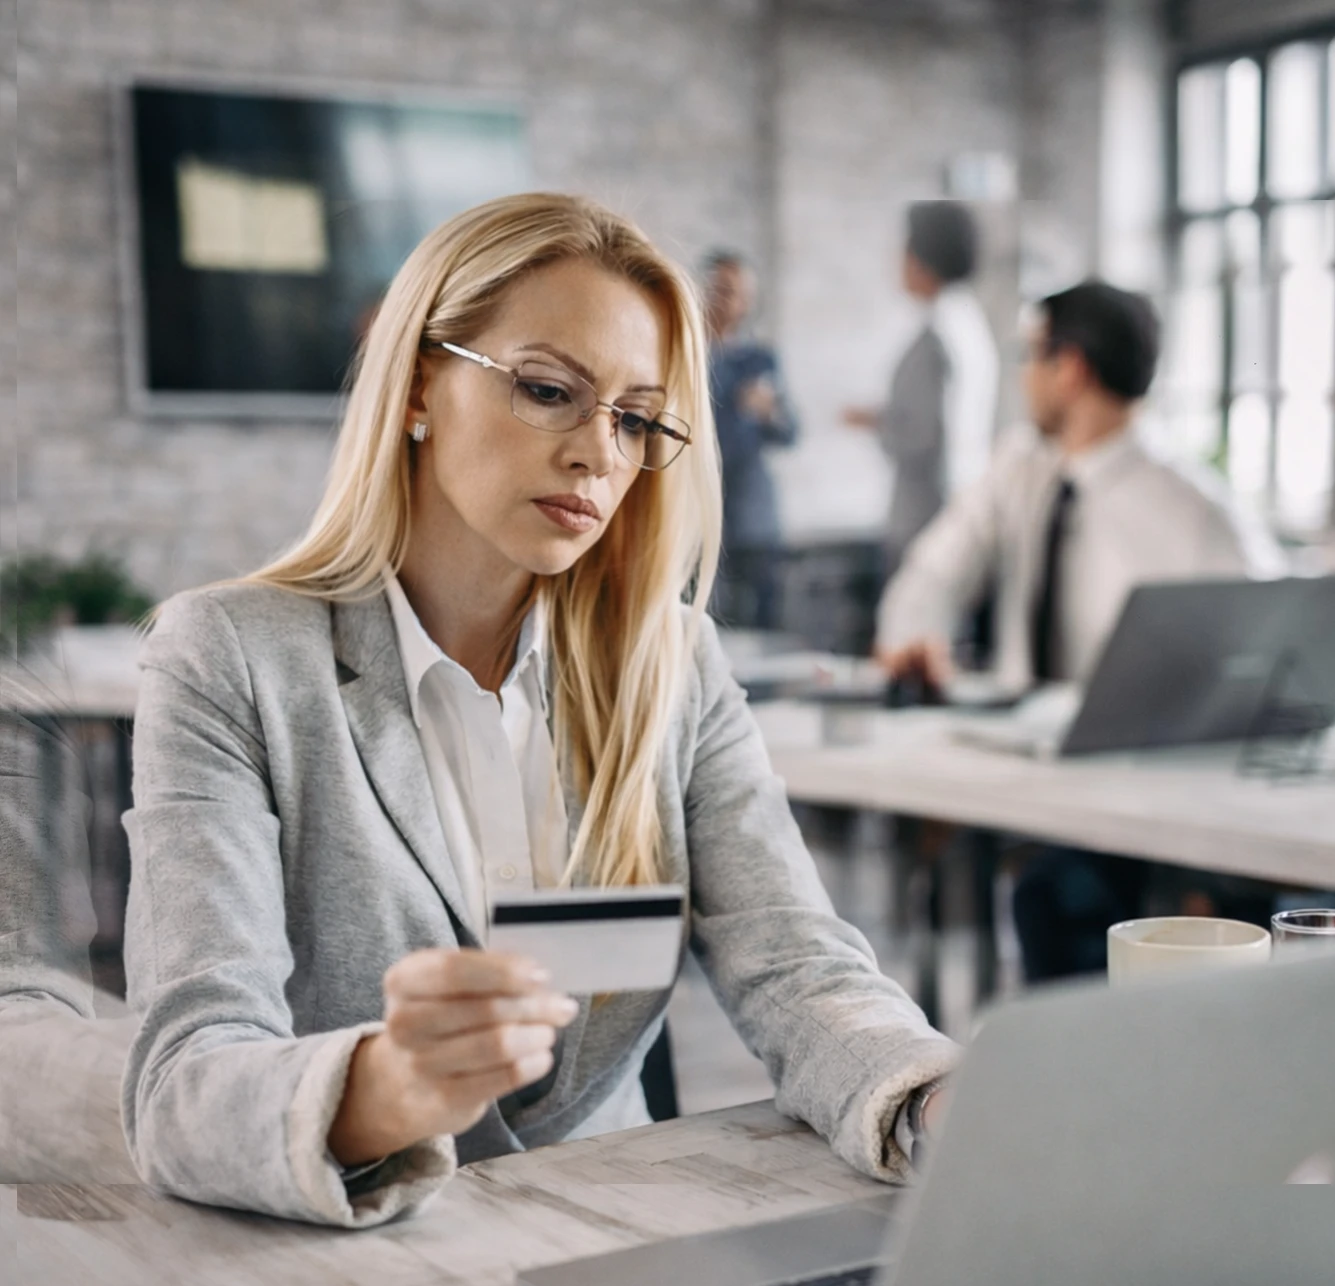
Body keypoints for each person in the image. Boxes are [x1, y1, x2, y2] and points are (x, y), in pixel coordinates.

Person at [121, 193, 955, 1228]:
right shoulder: (228, 659)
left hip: (619, 1248)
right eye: (551, 390)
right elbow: (183, 1089)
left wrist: (933, 1099)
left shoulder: (672, 663)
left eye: (637, 419)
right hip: (349, 1278)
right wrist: (380, 1089)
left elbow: (795, 960)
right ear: (422, 383)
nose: (600, 455)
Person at [875, 279, 1285, 981]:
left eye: (1029, 355)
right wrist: (914, 633)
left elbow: (1278, 643)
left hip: (1145, 793)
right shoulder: (1018, 467)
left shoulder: (1195, 513)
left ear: (1069, 367)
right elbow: (933, 571)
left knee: (1063, 895)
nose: (1024, 375)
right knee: (1048, 887)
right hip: (1018, 768)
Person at [844, 201, 999, 571]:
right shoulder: (969, 325)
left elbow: (921, 435)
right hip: (956, 509)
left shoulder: (937, 337)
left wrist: (877, 422)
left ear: (922, 259)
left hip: (925, 519)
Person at [703, 250, 797, 629]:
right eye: (722, 289)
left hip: (755, 518)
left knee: (762, 624)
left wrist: (768, 411)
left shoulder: (760, 359)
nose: (729, 301)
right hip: (702, 513)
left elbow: (791, 432)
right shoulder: (689, 355)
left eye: (738, 293)